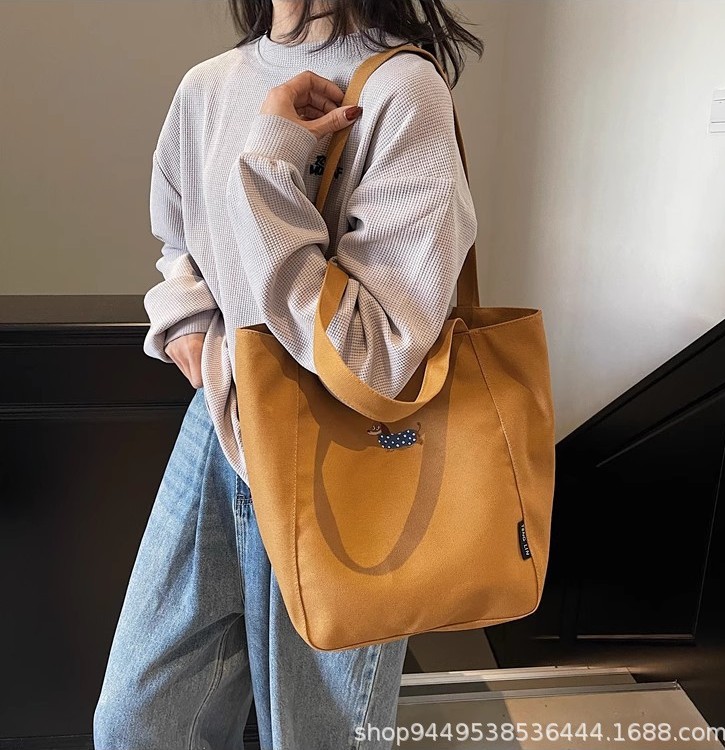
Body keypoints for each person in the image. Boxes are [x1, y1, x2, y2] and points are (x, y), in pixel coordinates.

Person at [93, 1, 482, 748]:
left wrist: (273, 164)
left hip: (348, 448)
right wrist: (184, 314)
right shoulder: (207, 87)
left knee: (315, 735)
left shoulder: (402, 91)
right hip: (219, 424)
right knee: (137, 724)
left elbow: (373, 354)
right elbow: (180, 246)